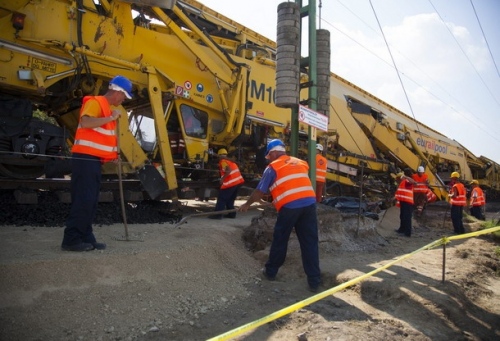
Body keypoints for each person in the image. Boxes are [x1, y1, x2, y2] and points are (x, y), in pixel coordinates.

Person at [61, 75, 133, 251]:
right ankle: (71, 239)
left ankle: (86, 235)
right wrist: (111, 118)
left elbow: (99, 140)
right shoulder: (95, 102)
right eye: (124, 96)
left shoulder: (107, 109)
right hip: (84, 160)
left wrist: (111, 157)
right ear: (117, 92)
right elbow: (85, 122)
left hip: (91, 160)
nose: (124, 100)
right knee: (84, 199)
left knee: (90, 201)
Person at [239, 139, 321, 292]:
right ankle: (315, 281)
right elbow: (294, 183)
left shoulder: (272, 167)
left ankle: (270, 272)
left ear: (274, 152)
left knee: (280, 239)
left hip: (290, 208)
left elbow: (259, 192)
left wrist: (247, 204)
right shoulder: (301, 162)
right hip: (309, 204)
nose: (268, 159)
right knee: (310, 242)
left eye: (269, 156)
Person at [208, 148, 245, 219]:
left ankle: (217, 215)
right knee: (230, 200)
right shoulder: (231, 161)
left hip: (230, 183)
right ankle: (232, 214)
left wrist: (222, 179)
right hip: (237, 183)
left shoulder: (223, 161)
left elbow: (228, 170)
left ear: (219, 155)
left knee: (222, 199)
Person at [395, 169, 416, 237]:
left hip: (407, 202)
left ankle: (407, 232)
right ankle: (402, 229)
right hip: (403, 201)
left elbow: (413, 182)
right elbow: (400, 192)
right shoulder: (403, 182)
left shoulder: (407, 181)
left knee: (407, 217)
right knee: (403, 216)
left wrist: (406, 177)